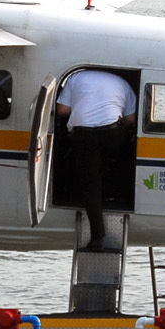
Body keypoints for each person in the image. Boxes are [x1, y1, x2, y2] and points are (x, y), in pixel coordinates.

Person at [55, 68, 135, 250]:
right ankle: (116, 191)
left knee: (91, 185)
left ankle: (97, 238)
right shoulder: (122, 81)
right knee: (121, 155)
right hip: (112, 133)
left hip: (83, 135)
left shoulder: (75, 77)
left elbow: (62, 110)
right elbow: (131, 119)